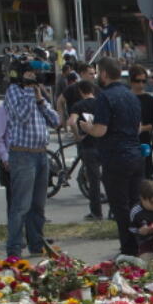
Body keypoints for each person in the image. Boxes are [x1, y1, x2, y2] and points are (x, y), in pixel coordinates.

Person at [77, 57, 144, 258]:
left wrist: (87, 127)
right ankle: (140, 245)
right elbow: (138, 127)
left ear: (104, 74)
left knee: (119, 206)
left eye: (99, 72)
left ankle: (128, 249)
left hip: (116, 156)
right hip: (135, 154)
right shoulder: (131, 95)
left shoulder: (105, 97)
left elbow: (100, 130)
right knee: (134, 204)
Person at [2, 60, 59, 259]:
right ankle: (14, 249)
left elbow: (55, 120)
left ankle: (37, 243)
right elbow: (22, 116)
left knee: (38, 205)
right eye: (31, 74)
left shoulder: (36, 94)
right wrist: (28, 90)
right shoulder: (13, 92)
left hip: (41, 154)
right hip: (22, 154)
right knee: (21, 206)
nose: (36, 78)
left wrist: (41, 99)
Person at [66, 79, 104, 222]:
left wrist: (77, 136)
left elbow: (71, 122)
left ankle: (96, 212)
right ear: (93, 90)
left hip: (88, 146)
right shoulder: (101, 103)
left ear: (81, 91)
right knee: (109, 178)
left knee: (93, 181)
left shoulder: (78, 105)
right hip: (103, 144)